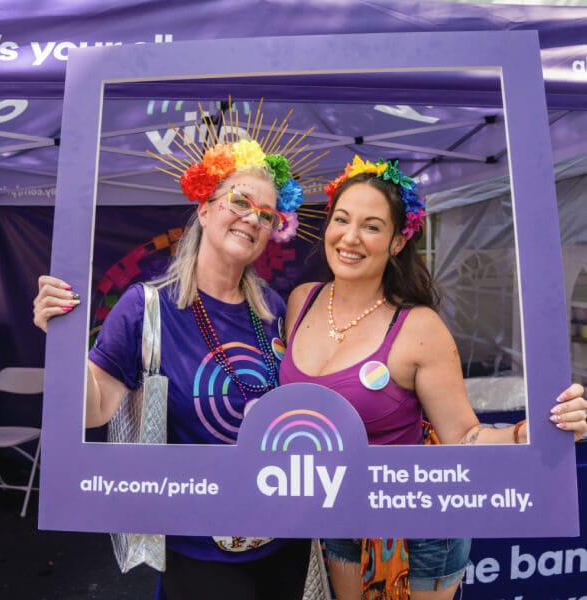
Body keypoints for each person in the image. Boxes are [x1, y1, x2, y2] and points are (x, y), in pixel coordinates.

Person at [32, 104, 327, 600]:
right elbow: (93, 410)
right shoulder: (146, 308)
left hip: (283, 534)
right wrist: (59, 341)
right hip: (198, 543)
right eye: (240, 201)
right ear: (205, 208)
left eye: (267, 214)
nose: (252, 219)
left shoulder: (274, 309)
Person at [279, 155, 587, 600]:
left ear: (398, 241)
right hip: (334, 516)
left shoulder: (418, 327)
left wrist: (534, 431)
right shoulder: (301, 302)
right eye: (341, 220)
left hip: (416, 530)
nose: (350, 237)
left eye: (371, 226)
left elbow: (464, 436)